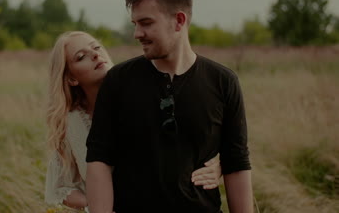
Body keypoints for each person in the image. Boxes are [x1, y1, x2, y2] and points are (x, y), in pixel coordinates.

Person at [86, 0, 253, 213]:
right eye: (135, 24)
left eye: (146, 23)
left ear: (179, 21)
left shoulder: (223, 82)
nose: (137, 33)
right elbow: (99, 159)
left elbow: (236, 163)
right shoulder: (119, 80)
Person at [44, 31, 223, 212]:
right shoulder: (71, 122)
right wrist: (97, 203)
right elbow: (60, 187)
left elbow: (195, 138)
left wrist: (217, 166)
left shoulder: (143, 94)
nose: (96, 55)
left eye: (96, 47)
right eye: (81, 57)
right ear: (72, 78)